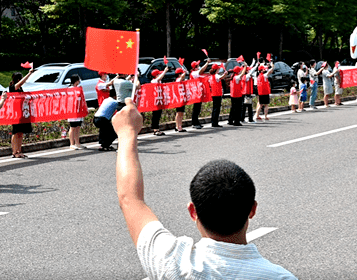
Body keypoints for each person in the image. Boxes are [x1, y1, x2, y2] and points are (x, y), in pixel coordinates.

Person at [112, 98, 297, 280]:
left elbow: (130, 199)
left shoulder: (173, 264)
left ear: (193, 211)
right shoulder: (280, 277)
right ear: (252, 209)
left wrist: (127, 133)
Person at [9, 67, 34, 158]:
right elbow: (21, 83)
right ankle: (14, 151)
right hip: (16, 113)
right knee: (15, 132)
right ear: (18, 79)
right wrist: (29, 74)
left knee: (20, 132)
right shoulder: (13, 87)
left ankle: (19, 150)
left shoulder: (20, 88)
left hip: (22, 112)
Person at [93, 87, 118, 152]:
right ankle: (105, 145)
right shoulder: (115, 102)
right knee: (114, 133)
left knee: (103, 131)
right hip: (102, 119)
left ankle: (102, 145)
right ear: (115, 96)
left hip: (95, 118)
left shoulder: (106, 99)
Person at [67, 75, 86, 150]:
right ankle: (72, 144)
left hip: (79, 110)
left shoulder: (79, 88)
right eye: (78, 80)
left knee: (78, 127)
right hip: (72, 110)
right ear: (76, 80)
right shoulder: (69, 89)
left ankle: (77, 143)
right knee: (73, 127)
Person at [190, 60, 210, 129]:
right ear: (195, 67)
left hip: (199, 93)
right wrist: (207, 63)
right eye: (198, 65)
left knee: (198, 108)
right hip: (195, 93)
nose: (199, 66)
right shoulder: (194, 73)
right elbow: (201, 70)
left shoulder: (196, 73)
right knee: (196, 108)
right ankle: (194, 123)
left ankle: (197, 122)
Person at [150, 69, 168, 136]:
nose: (160, 75)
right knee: (155, 115)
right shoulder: (154, 81)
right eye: (158, 74)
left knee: (158, 114)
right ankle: (155, 129)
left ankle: (157, 129)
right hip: (155, 101)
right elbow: (158, 79)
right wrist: (165, 71)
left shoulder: (159, 81)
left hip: (160, 100)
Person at [173, 67, 188, 132]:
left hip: (182, 98)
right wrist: (185, 72)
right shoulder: (178, 80)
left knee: (181, 113)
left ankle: (179, 126)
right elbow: (182, 77)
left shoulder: (181, 80)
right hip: (178, 98)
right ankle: (178, 126)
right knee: (179, 113)